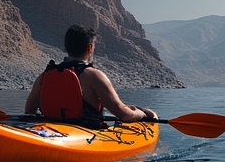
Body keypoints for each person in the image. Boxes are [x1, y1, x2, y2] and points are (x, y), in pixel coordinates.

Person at [25, 24, 157, 127]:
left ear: (66, 48)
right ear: (89, 48)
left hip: (53, 131)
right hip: (86, 134)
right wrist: (142, 113)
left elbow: (29, 113)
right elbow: (124, 115)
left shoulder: (45, 76)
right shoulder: (94, 76)